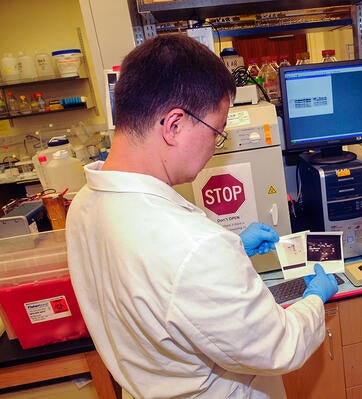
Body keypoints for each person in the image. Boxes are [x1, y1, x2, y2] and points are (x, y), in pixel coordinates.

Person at [66, 35, 338, 399]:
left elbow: (157, 290)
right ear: (174, 125)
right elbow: (280, 346)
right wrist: (315, 299)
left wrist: (231, 252)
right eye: (217, 132)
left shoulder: (84, 205)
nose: (215, 146)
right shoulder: (194, 247)